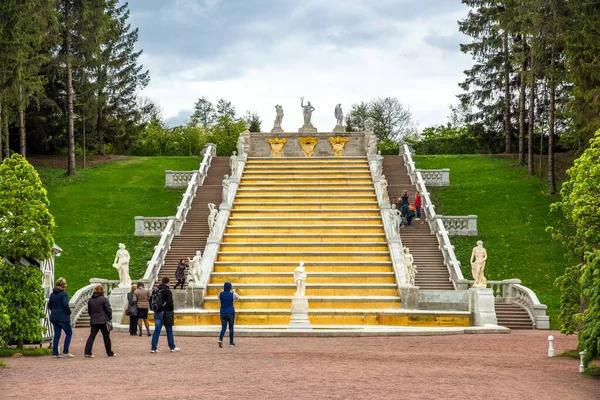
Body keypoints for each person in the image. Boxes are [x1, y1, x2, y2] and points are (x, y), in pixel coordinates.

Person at [84, 284, 116, 358]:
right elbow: (108, 310)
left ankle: (87, 352)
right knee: (106, 337)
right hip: (103, 320)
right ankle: (109, 352)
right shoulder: (104, 299)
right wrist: (109, 318)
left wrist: (92, 316)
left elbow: (89, 311)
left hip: (94, 320)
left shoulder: (91, 300)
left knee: (92, 336)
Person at [151, 277, 180, 354]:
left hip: (157, 312)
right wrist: (171, 310)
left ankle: (153, 347)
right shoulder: (168, 291)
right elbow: (170, 303)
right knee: (169, 329)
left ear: (161, 282)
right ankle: (172, 346)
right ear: (168, 283)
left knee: (157, 330)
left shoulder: (156, 290)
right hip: (166, 312)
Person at [48, 277, 74, 358]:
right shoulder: (64, 294)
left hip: (54, 317)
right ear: (64, 285)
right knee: (69, 333)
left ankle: (55, 353)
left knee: (57, 335)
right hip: (63, 318)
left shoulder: (52, 294)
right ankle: (65, 351)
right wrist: (69, 312)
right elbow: (65, 305)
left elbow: (49, 306)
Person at [218, 282, 239, 348]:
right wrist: (232, 290)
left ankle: (220, 339)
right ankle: (231, 343)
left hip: (223, 312)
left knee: (223, 328)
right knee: (231, 328)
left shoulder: (220, 294)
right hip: (231, 312)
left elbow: (219, 298)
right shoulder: (233, 294)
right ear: (230, 287)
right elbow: (237, 298)